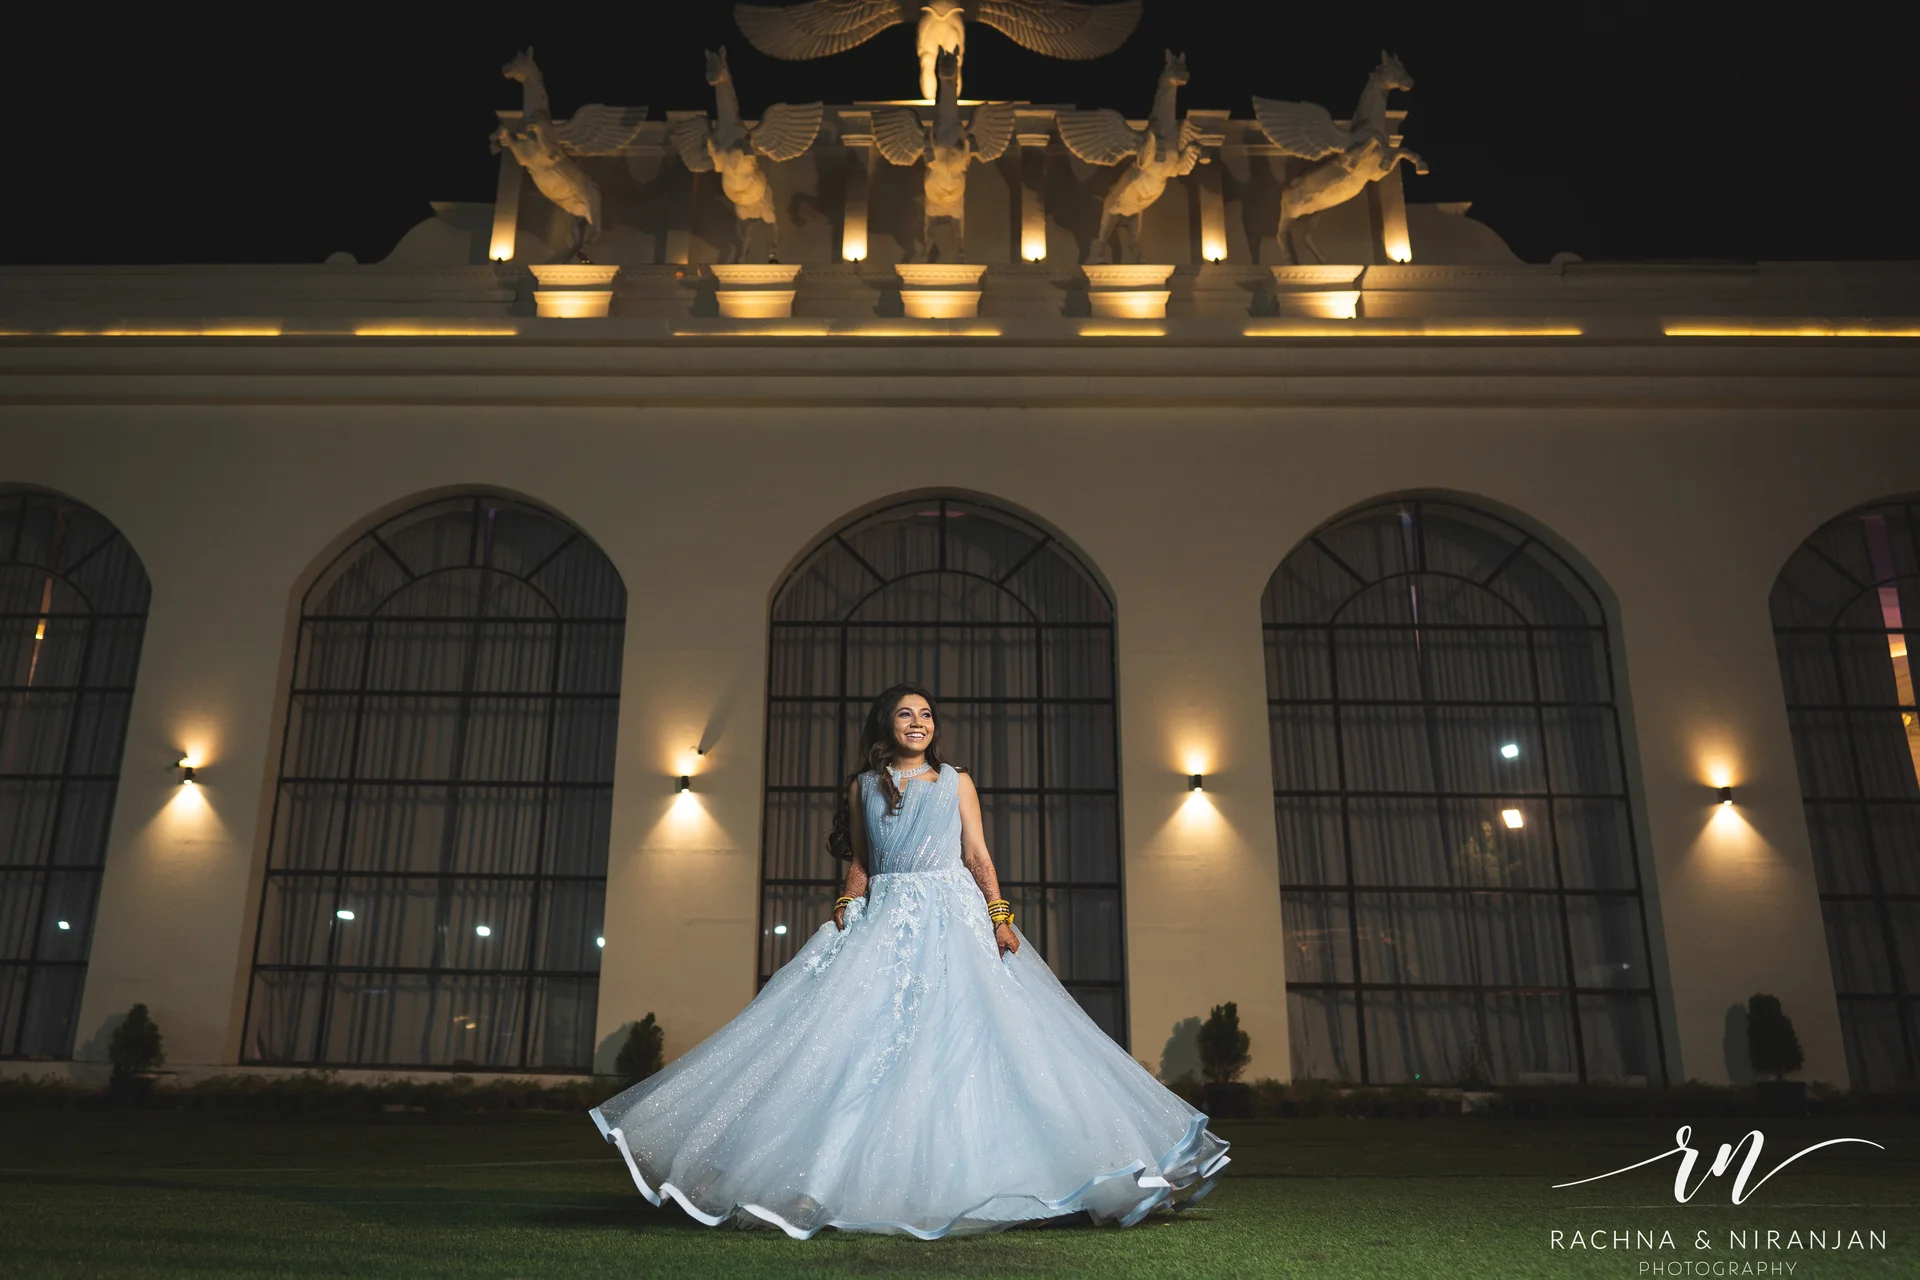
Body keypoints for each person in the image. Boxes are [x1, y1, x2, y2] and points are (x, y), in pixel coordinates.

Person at [588, 682, 1229, 1238]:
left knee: (976, 1039)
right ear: (885, 727)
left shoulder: (957, 782)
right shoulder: (865, 784)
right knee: (858, 1041)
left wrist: (1000, 918)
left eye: (926, 714)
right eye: (905, 714)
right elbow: (862, 861)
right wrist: (848, 900)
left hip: (954, 918)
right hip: (885, 921)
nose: (918, 722)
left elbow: (978, 857)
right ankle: (834, 1180)